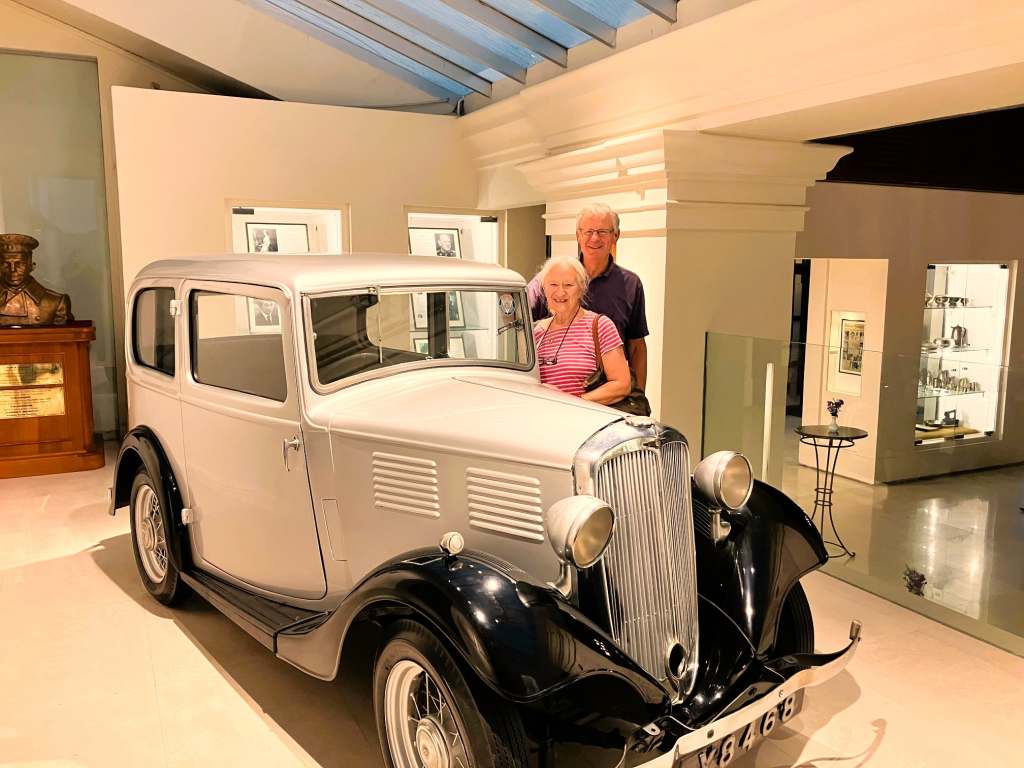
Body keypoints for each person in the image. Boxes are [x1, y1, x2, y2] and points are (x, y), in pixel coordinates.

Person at [528, 203, 648, 392]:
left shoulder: (631, 284)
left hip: (606, 393)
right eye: (588, 231)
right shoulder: (554, 276)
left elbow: (637, 347)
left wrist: (639, 398)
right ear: (578, 235)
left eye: (602, 232)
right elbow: (519, 315)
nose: (594, 238)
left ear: (615, 236)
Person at [532, 255, 630, 404]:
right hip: (544, 420)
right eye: (553, 284)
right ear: (544, 288)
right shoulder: (536, 332)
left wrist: (573, 402)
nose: (560, 292)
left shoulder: (600, 326)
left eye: (568, 285)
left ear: (581, 288)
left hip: (584, 422)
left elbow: (621, 385)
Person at [0, 235, 73, 326]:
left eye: (20, 264)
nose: (13, 270)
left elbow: (65, 336)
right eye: (5, 264)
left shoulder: (55, 302)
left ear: (31, 266)